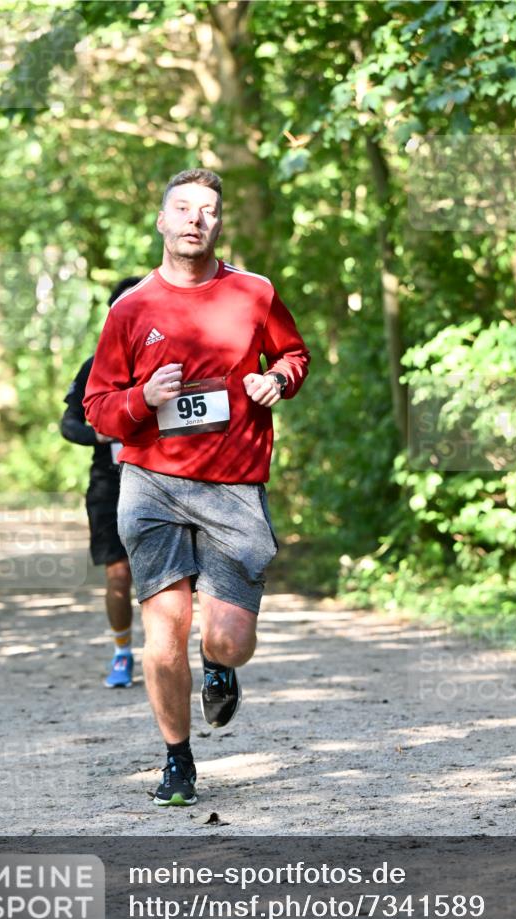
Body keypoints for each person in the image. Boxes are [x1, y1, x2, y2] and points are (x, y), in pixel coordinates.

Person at [84, 168, 310, 806]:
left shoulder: (255, 294)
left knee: (228, 641)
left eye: (207, 210)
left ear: (219, 223)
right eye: (182, 208)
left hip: (233, 484)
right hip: (151, 483)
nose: (194, 219)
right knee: (164, 632)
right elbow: (98, 406)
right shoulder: (130, 310)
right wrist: (140, 399)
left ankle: (219, 669)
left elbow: (294, 355)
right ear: (161, 221)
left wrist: (279, 382)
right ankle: (176, 761)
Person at [61, 278, 143, 688]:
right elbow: (69, 423)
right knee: (118, 574)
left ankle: (190, 653)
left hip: (168, 478)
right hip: (110, 484)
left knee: (176, 578)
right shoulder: (95, 367)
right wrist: (99, 434)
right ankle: (123, 653)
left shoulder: (171, 358)